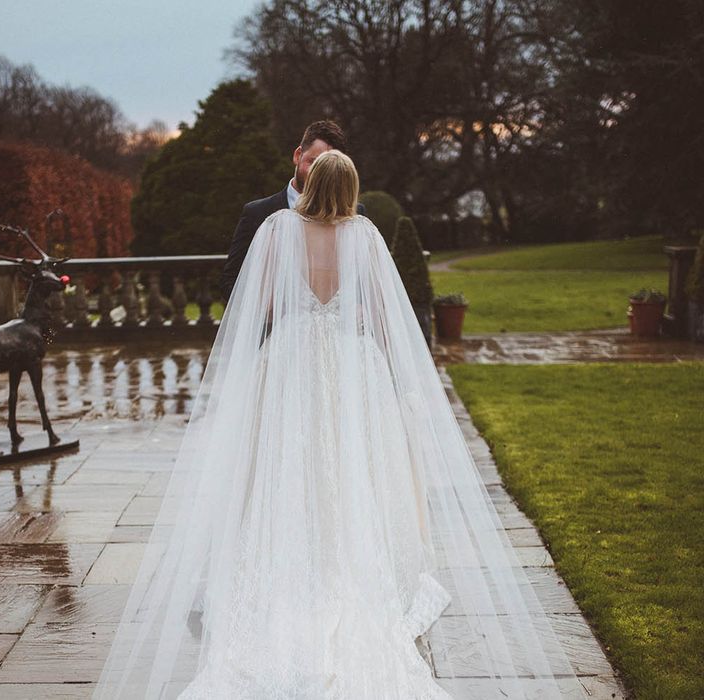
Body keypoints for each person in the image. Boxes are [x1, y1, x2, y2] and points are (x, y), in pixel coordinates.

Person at [94, 151, 577, 699]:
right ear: (349, 188)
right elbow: (377, 311)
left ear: (309, 181)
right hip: (352, 366)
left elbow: (265, 303)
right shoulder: (366, 236)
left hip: (292, 360)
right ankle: (351, 567)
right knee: (355, 468)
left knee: (284, 463)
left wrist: (305, 314)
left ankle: (283, 567)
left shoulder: (277, 229)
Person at [219, 120, 364, 303]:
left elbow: (363, 282)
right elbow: (230, 280)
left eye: (327, 168)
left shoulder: (355, 214)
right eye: (313, 162)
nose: (318, 174)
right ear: (298, 155)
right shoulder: (259, 213)